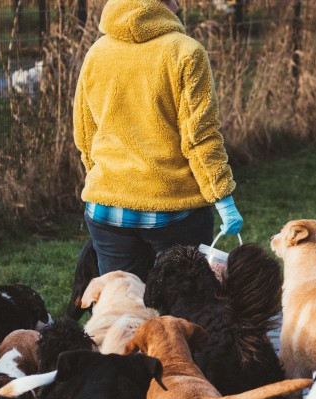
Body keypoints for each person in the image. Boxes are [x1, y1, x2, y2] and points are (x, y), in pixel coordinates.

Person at [73, 0, 243, 282]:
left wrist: (104, 177)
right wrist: (223, 199)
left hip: (107, 209)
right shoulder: (186, 52)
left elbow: (84, 133)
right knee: (182, 314)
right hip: (174, 210)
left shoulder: (96, 53)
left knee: (122, 313)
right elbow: (200, 138)